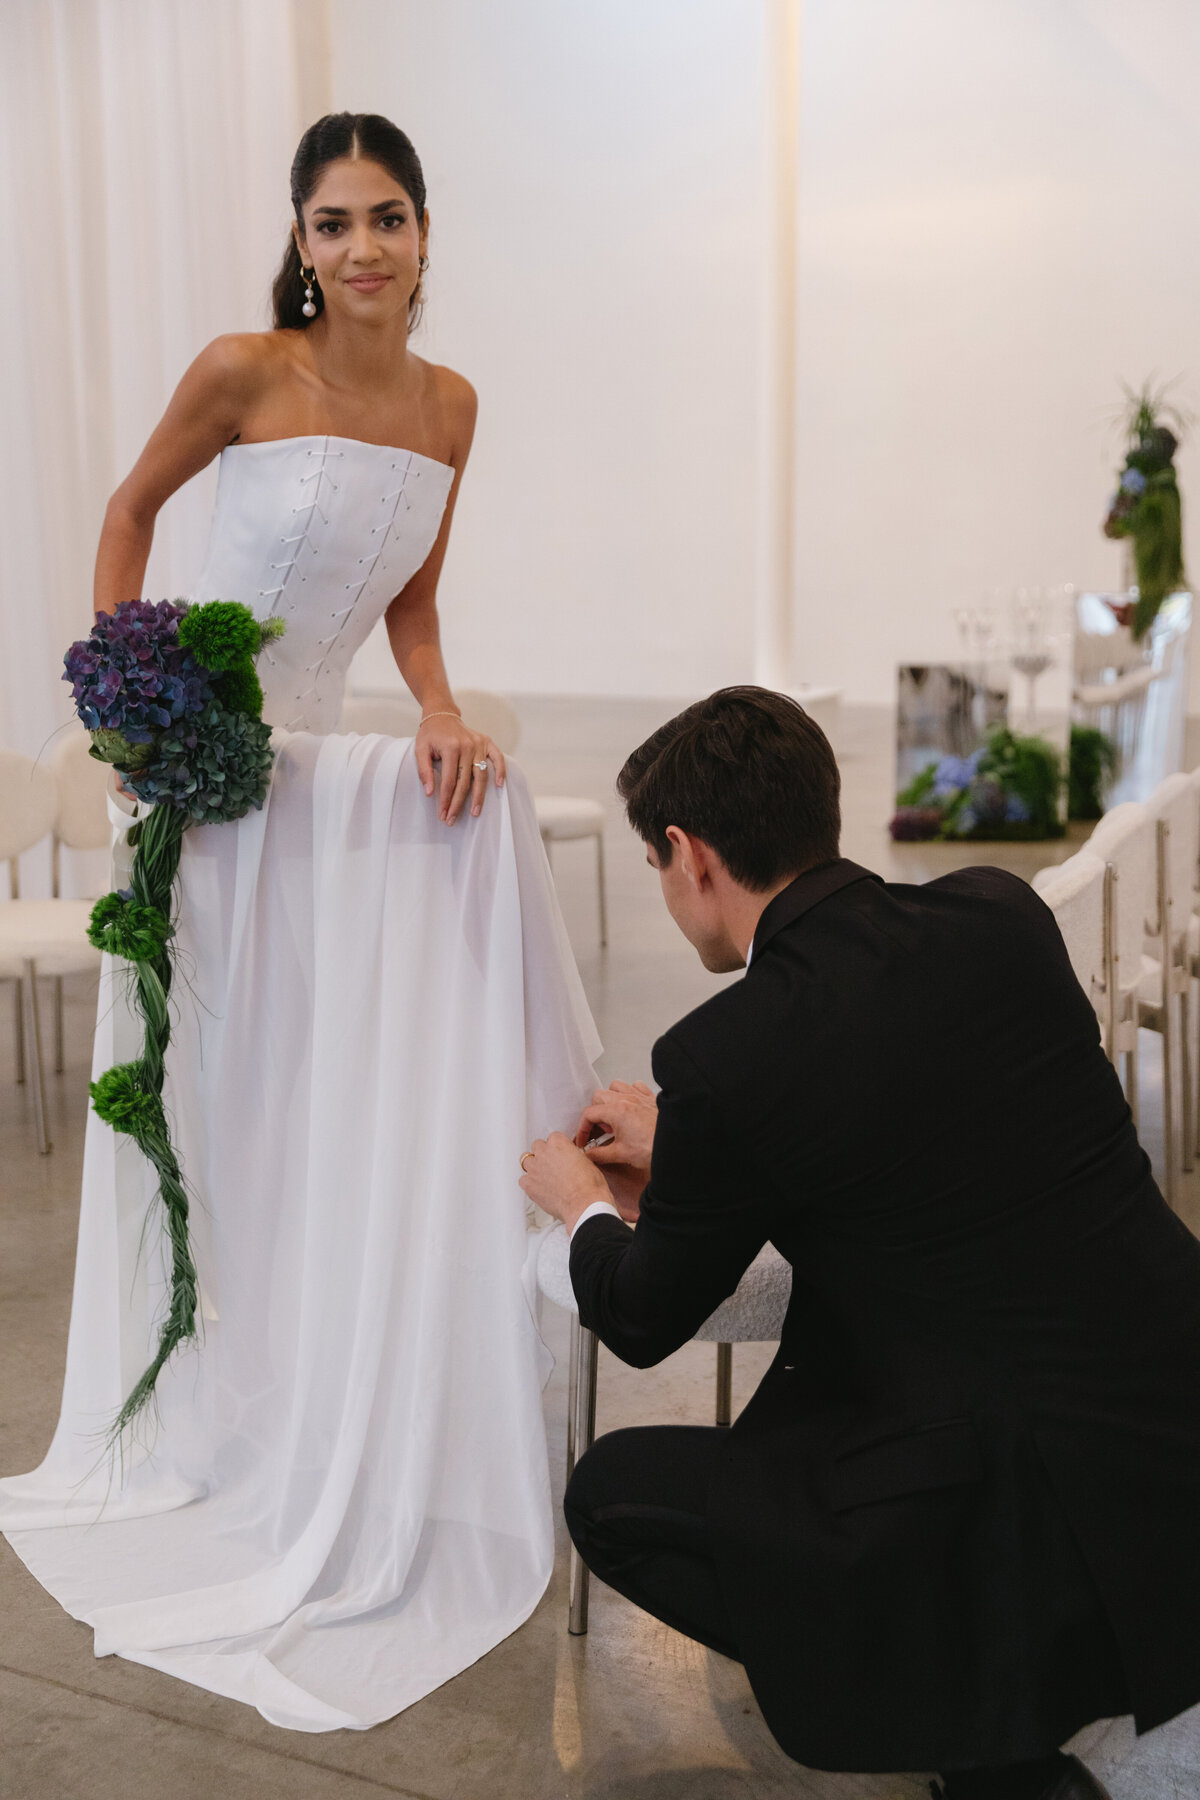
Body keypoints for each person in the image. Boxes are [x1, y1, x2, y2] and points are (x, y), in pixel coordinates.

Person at [0, 112, 599, 1732]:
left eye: (388, 217)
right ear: (302, 237)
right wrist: (131, 690)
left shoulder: (455, 406)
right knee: (215, 1103)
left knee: (313, 1109)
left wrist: (443, 713)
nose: (362, 249)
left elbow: (408, 602)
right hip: (202, 787)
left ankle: (304, 1410)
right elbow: (129, 509)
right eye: (332, 223)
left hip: (328, 792)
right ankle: (200, 1418)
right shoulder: (241, 370)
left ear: (424, 231)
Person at [519, 686, 1200, 1800]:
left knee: (611, 1494)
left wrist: (583, 1202)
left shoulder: (726, 1052)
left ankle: (985, 1744)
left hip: (1001, 1490)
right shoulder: (998, 915)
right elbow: (906, 1112)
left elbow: (640, 1319)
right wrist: (689, 1140)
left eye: (655, 864)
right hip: (1169, 1414)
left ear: (688, 856)